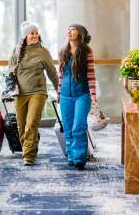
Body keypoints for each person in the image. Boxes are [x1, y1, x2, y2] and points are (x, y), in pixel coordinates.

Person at [8, 21, 58, 166]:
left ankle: (28, 156)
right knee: (21, 125)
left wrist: (58, 90)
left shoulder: (43, 51)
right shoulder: (16, 51)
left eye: (36, 33)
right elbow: (10, 72)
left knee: (31, 124)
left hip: (38, 91)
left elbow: (52, 73)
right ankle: (30, 146)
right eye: (32, 33)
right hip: (20, 93)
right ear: (25, 36)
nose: (35, 35)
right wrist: (8, 90)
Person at [57, 23, 97, 170]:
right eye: (68, 29)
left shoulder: (86, 52)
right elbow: (61, 75)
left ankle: (80, 157)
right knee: (68, 127)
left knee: (78, 126)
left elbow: (91, 74)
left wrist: (93, 94)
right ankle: (71, 155)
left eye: (73, 29)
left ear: (79, 33)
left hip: (82, 95)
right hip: (66, 96)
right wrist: (59, 94)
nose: (69, 31)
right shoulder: (63, 51)